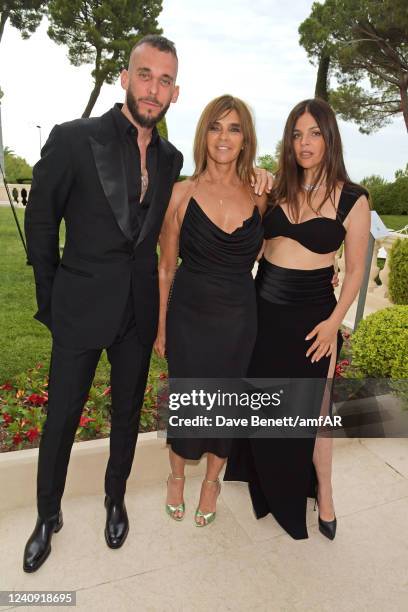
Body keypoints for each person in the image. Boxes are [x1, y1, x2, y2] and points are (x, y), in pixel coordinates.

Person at [23, 35, 183, 572]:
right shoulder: (74, 139)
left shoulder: (171, 158)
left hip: (135, 312)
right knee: (61, 418)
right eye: (145, 75)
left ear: (174, 92)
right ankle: (48, 516)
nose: (153, 89)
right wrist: (53, 297)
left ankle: (115, 499)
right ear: (125, 76)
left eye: (164, 80)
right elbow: (41, 222)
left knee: (126, 413)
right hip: (80, 306)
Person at [225, 98, 370, 540]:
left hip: (314, 322)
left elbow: (357, 269)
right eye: (296, 134)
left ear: (330, 138)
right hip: (263, 311)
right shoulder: (276, 189)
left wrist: (334, 323)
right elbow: (251, 241)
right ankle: (270, 487)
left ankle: (324, 493)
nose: (304, 143)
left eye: (314, 133)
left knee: (315, 413)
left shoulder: (352, 198)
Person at [154, 95, 272, 526]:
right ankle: (175, 477)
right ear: (204, 134)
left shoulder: (261, 196)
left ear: (246, 140)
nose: (224, 137)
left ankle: (211, 483)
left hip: (239, 318)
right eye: (216, 127)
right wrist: (162, 328)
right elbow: (166, 267)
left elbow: (276, 247)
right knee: (187, 398)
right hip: (189, 314)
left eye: (234, 128)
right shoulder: (180, 195)